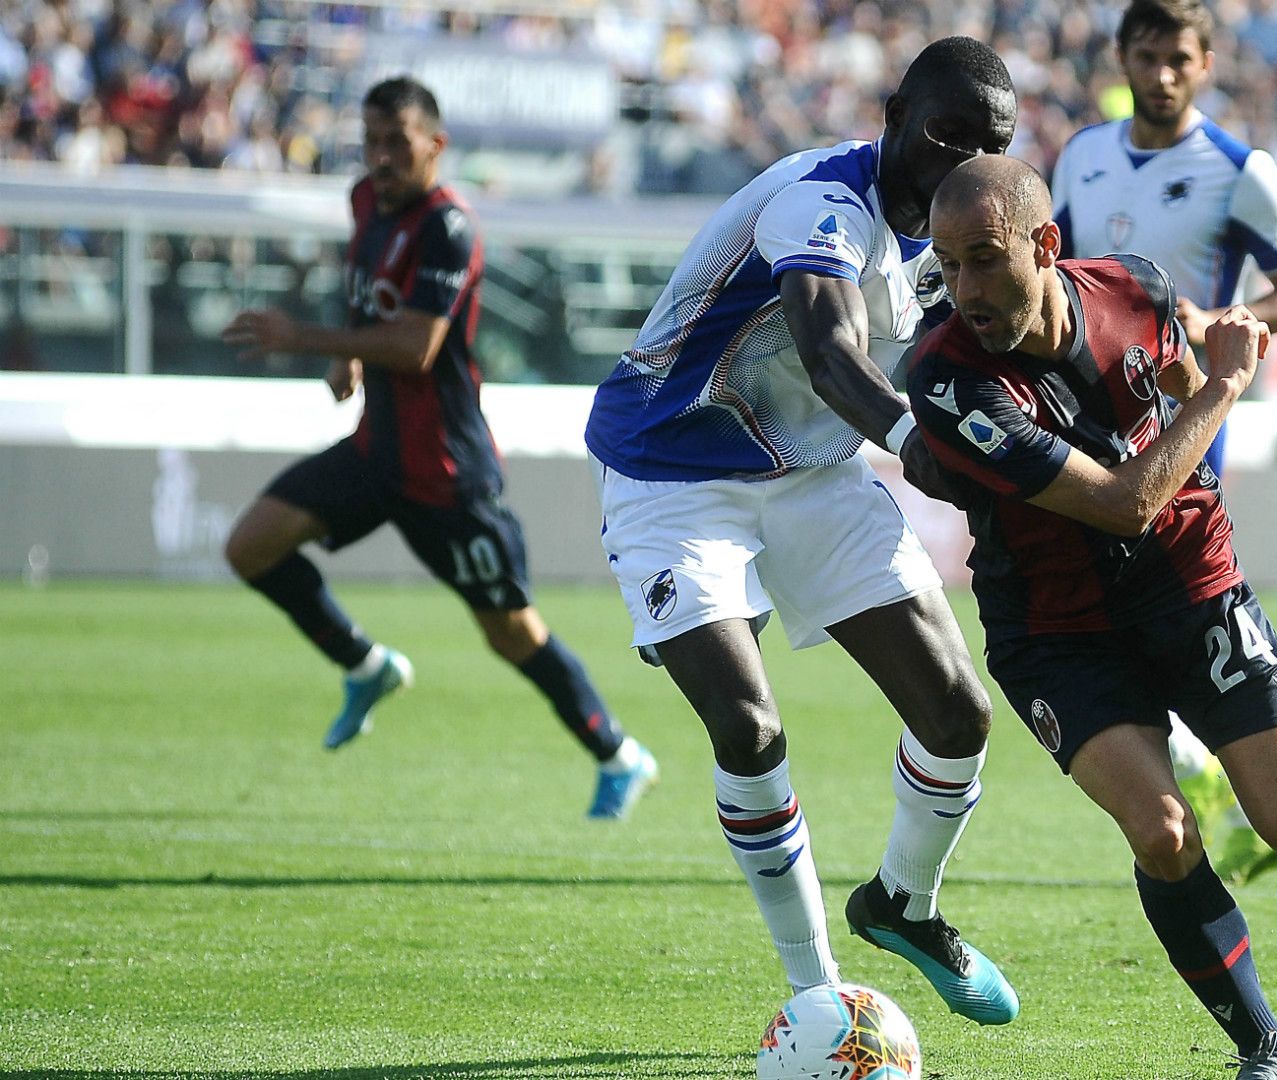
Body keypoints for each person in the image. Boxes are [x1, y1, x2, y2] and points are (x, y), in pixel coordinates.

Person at [582, 38, 1019, 1023]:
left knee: (959, 713)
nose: (957, 160)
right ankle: (817, 994)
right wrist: (916, 445)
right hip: (672, 475)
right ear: (895, 110)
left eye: (983, 146)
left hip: (809, 478)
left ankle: (903, 904)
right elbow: (827, 351)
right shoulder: (820, 199)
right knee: (749, 725)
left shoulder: (961, 236)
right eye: (943, 133)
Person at [907, 155, 1277, 1080]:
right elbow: (1121, 501)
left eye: (984, 259)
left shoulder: (1137, 287)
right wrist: (1226, 388)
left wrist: (1206, 383)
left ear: (1046, 245)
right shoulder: (949, 380)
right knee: (1162, 831)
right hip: (1055, 628)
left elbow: (1180, 395)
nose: (965, 290)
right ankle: (1263, 1045)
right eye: (947, 266)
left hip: (1190, 581)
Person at [219, 77, 657, 821]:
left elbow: (419, 346)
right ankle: (365, 665)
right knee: (250, 546)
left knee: (512, 634)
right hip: (374, 452)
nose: (382, 157)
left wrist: (305, 339)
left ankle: (619, 753)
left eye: (398, 142)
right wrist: (344, 356)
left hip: (446, 474)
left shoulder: (449, 227)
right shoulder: (365, 201)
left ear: (436, 145)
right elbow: (371, 298)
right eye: (372, 141)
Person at [1050, 0, 1277, 885]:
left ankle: (1254, 792)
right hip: (1081, 422)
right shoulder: (1083, 155)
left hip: (1180, 426)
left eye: (1178, 59)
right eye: (1147, 55)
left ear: (1205, 65)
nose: (1161, 74)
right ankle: (1219, 799)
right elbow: (1052, 271)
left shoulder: (1242, 170)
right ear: (1122, 57)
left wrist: (1216, 322)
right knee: (1106, 612)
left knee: (1167, 607)